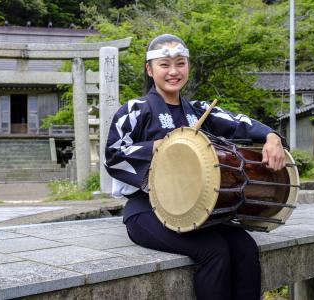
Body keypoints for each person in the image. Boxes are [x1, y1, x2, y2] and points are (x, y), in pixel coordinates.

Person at [104, 34, 286, 300]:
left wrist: (272, 137)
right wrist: (157, 147)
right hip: (145, 210)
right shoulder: (135, 110)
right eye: (164, 65)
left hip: (196, 211)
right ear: (149, 69)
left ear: (188, 66)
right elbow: (113, 155)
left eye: (180, 63)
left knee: (245, 248)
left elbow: (239, 122)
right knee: (214, 250)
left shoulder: (199, 111)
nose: (173, 71)